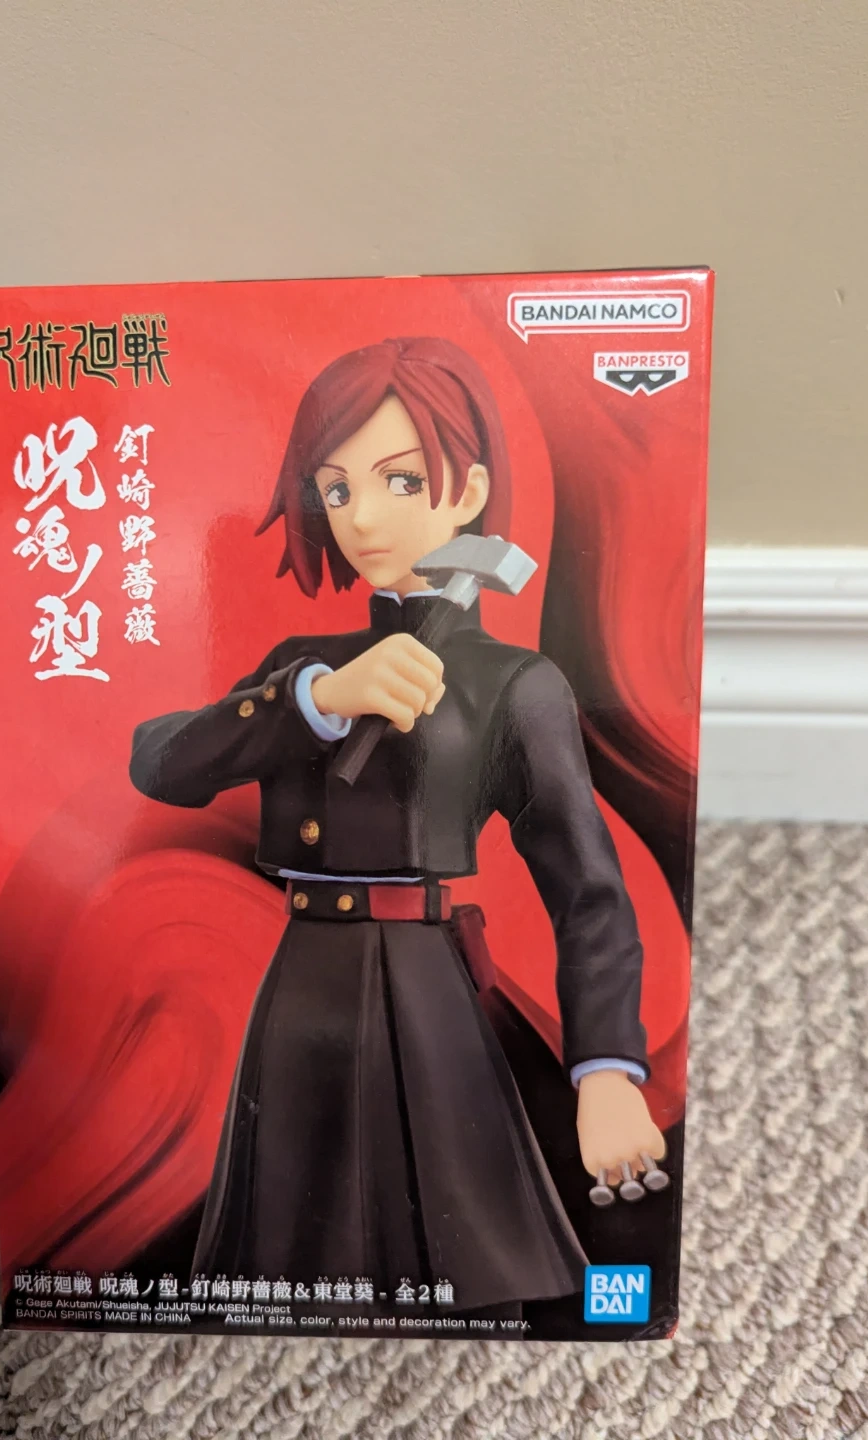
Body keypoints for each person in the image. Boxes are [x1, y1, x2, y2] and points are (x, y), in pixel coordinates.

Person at [129, 337, 666, 1312]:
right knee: (286, 1246)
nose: (363, 518)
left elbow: (586, 887)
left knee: (454, 1236)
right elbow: (161, 762)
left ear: (468, 493)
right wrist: (317, 698)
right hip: (301, 979)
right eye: (336, 490)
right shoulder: (304, 665)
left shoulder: (513, 684)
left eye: (401, 480)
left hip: (427, 985)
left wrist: (605, 1070)